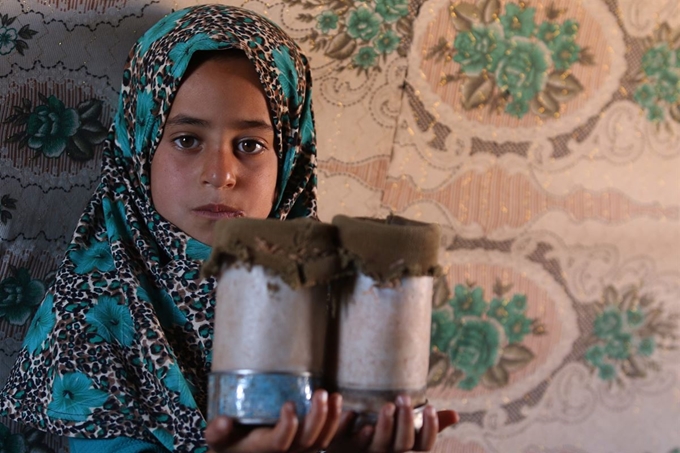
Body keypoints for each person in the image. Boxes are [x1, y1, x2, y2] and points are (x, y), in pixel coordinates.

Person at [0, 4, 458, 452]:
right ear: (140, 150)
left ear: (291, 159)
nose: (220, 174)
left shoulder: (346, 298)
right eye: (186, 140)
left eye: (250, 144)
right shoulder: (99, 306)